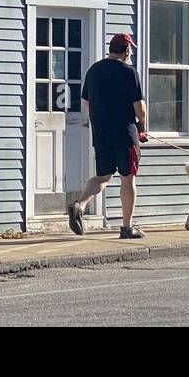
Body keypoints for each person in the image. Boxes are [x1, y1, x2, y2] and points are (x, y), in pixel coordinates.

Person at [68, 32, 148, 239]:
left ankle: (80, 204)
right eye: (130, 49)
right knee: (127, 179)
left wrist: (95, 123)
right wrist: (142, 125)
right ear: (127, 50)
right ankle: (127, 227)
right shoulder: (129, 72)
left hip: (101, 133)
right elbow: (139, 107)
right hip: (125, 133)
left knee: (104, 176)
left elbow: (85, 103)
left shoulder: (94, 70)